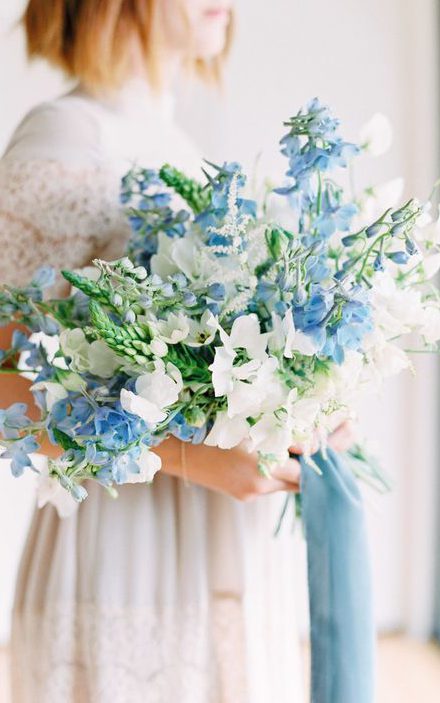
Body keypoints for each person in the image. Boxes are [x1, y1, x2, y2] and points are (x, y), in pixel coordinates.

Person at [0, 2, 352, 701]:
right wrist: (192, 457)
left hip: (225, 561)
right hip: (126, 562)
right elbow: (4, 389)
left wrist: (303, 407)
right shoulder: (67, 140)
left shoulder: (175, 142)